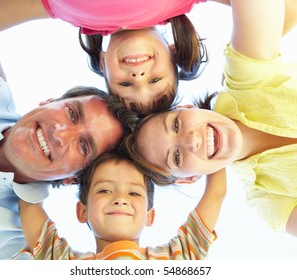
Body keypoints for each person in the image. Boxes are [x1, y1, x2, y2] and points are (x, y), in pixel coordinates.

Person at [125, 0, 297, 237]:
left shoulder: (245, 81)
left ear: (186, 108)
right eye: (176, 157)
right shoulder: (267, 198)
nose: (190, 141)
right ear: (190, 179)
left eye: (176, 124)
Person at [0, 34, 137, 259]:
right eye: (72, 114)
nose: (59, 134)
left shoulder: (12, 248)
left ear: (72, 179)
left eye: (83, 146)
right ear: (49, 101)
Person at [0, 0, 236, 114]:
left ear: (103, 64)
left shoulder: (60, 7)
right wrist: (237, 72)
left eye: (125, 84)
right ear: (173, 53)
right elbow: (275, 17)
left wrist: (0, 97)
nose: (138, 77)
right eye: (155, 80)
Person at [16, 151, 226, 260]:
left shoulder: (178, 258)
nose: (120, 199)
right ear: (83, 211)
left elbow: (216, 193)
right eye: (104, 190)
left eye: (134, 193)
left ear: (149, 216)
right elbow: (28, 201)